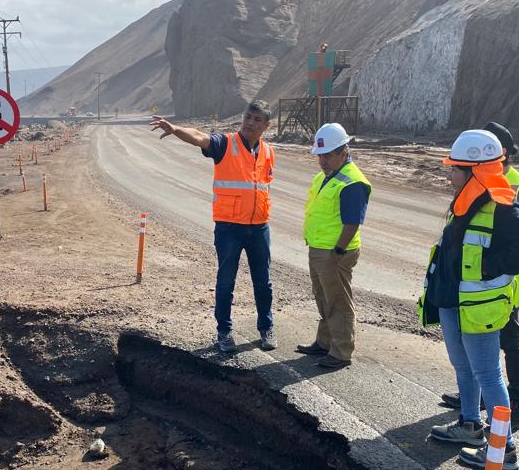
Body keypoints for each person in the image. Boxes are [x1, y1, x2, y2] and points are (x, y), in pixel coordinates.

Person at [419, 129, 519, 470]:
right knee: (464, 367)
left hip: (477, 309)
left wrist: (493, 266)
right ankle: (470, 424)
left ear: (473, 171)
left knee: (488, 374)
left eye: (454, 169)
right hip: (453, 301)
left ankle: (504, 448)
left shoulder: (501, 206)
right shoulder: (465, 201)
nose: (449, 174)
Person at [149, 101, 276, 353]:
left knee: (263, 282)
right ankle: (224, 332)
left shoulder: (269, 152)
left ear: (266, 125)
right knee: (226, 281)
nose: (250, 123)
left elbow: (262, 186)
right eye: (248, 117)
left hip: (259, 227)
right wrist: (175, 129)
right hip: (229, 227)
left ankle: (266, 327)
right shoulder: (226, 144)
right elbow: (199, 138)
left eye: (256, 119)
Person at [296, 123, 371, 369]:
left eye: (328, 155)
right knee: (323, 297)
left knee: (338, 300)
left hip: (335, 252)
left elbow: (352, 223)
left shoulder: (353, 182)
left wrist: (338, 252)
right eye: (320, 156)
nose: (323, 161)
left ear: (344, 152)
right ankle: (325, 341)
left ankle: (340, 352)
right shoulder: (325, 176)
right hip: (319, 248)